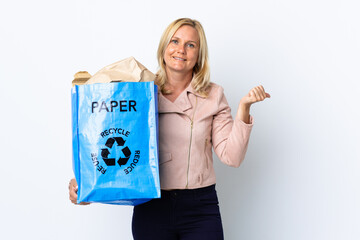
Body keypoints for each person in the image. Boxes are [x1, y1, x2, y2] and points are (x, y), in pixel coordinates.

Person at [69, 18, 270, 240]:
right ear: (164, 46)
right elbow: (111, 137)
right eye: (175, 41)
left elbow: (232, 157)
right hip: (152, 207)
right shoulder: (138, 93)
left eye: (190, 45)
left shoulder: (213, 95)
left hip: (200, 208)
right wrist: (86, 180)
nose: (181, 50)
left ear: (199, 55)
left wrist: (244, 108)